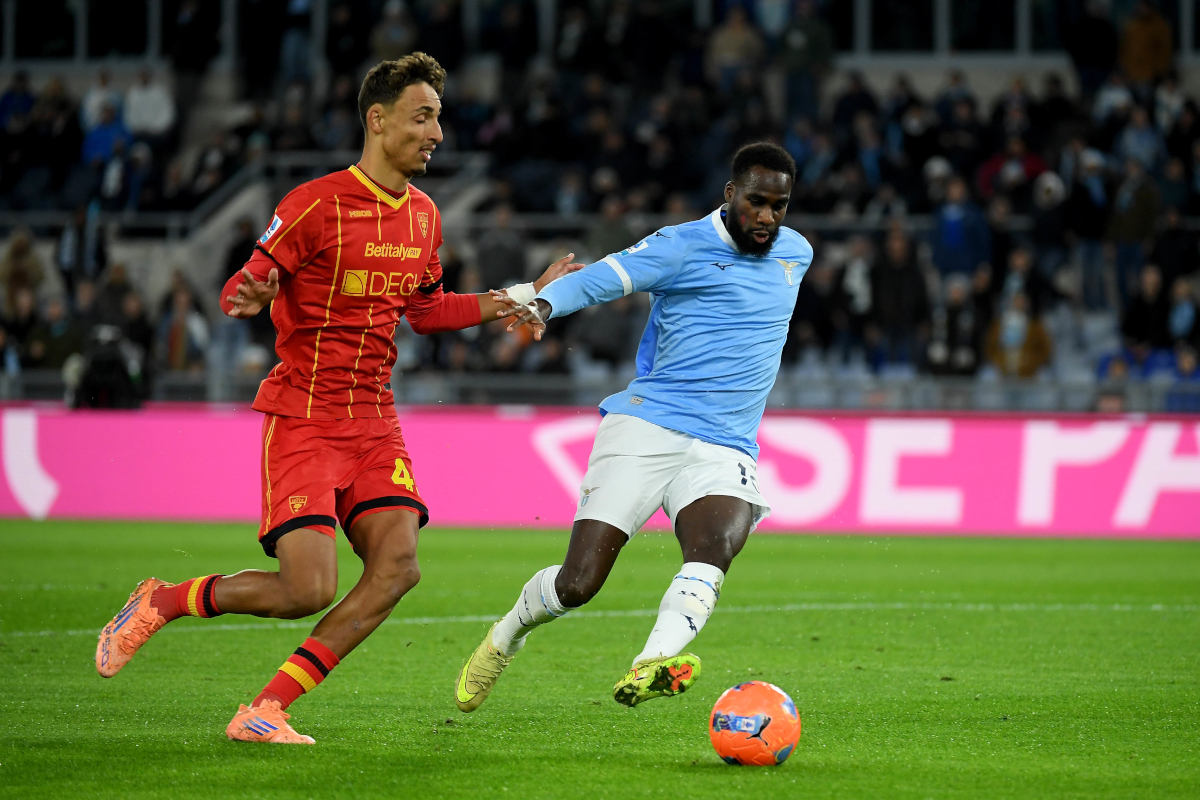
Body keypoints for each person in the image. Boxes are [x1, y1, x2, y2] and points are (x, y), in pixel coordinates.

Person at [94, 53, 580, 746]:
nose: (436, 133)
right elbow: (240, 286)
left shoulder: (424, 216)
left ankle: (268, 707)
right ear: (377, 121)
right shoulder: (313, 205)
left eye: (438, 118)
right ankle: (164, 600)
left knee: (398, 568)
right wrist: (252, 293)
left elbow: (429, 310)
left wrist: (525, 295)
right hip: (305, 416)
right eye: (422, 117)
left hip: (375, 421)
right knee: (306, 590)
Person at [454, 143, 811, 712]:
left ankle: (651, 663)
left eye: (779, 205)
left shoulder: (797, 252)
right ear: (730, 194)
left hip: (725, 444)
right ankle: (506, 635)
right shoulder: (680, 245)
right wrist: (546, 304)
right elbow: (605, 276)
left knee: (715, 548)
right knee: (578, 584)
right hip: (648, 428)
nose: (767, 216)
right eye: (756, 202)